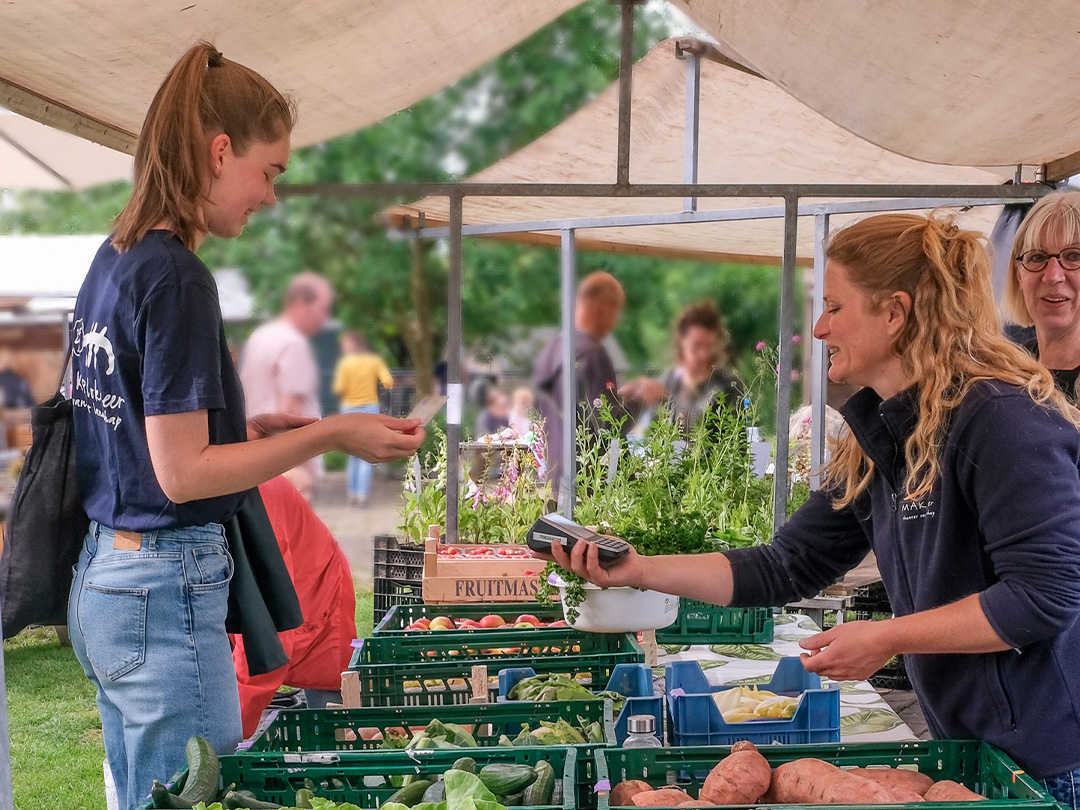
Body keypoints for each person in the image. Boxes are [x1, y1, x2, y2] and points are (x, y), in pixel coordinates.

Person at [542, 212, 1080, 806]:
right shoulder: (884, 431)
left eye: (834, 306)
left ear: (895, 312)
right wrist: (640, 570)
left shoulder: (1001, 420)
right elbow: (787, 564)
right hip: (974, 747)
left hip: (1053, 762)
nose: (820, 328)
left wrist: (888, 637)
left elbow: (1046, 595)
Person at [67, 42, 423, 810]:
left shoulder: (115, 259)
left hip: (108, 580)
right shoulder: (177, 276)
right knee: (197, 798)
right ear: (219, 151)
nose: (270, 197)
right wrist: (332, 433)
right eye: (270, 172)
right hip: (162, 590)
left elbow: (132, 432)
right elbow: (182, 475)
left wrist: (240, 423)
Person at [231, 475, 355, 738]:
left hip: (318, 596)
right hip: (292, 588)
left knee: (331, 729)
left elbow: (266, 646)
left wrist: (228, 734)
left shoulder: (256, 506)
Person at [533, 271, 645, 490]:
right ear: (605, 307)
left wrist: (619, 397)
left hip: (557, 481)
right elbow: (609, 425)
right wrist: (642, 399)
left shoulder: (552, 350)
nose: (615, 320)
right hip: (592, 483)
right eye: (617, 311)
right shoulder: (592, 354)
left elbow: (570, 409)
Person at [240, 271, 334, 499]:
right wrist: (303, 471)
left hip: (256, 457)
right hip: (288, 464)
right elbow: (291, 411)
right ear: (302, 304)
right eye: (322, 309)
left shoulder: (259, 337)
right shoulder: (293, 344)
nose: (324, 318)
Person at [1004, 190, 1080, 400]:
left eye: (1074, 256)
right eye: (1037, 257)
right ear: (1018, 274)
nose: (1053, 276)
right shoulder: (1006, 376)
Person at [623, 301, 743, 432]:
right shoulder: (664, 384)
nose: (703, 354)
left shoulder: (729, 385)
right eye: (696, 345)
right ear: (681, 341)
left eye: (709, 346)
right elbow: (653, 436)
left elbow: (738, 441)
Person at [333, 330, 394, 505]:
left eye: (345, 345)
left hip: (349, 409)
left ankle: (352, 493)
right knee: (367, 452)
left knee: (352, 452)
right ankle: (362, 495)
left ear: (353, 345)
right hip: (369, 409)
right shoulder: (374, 361)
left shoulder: (345, 364)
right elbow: (388, 382)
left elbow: (339, 387)